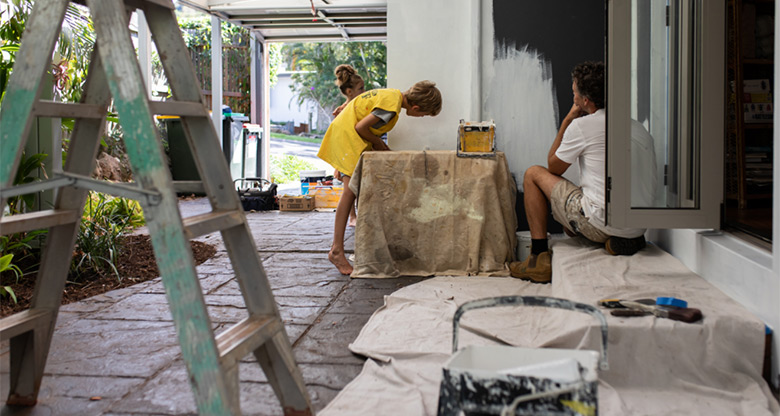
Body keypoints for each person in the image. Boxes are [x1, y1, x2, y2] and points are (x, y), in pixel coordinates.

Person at [509, 61, 649, 284]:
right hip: (637, 225)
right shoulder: (637, 127)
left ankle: (538, 259)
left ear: (585, 101)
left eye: (574, 91)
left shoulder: (583, 126)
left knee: (533, 174)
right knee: (579, 205)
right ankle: (620, 239)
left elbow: (553, 166)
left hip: (601, 220)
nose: (571, 93)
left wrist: (567, 120)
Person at [318, 81, 443, 275]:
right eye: (423, 115)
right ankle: (336, 250)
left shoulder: (391, 94)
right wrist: (378, 144)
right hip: (347, 137)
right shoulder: (391, 108)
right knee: (349, 193)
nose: (421, 117)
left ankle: (360, 247)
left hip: (345, 133)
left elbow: (358, 105)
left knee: (356, 190)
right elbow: (361, 127)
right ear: (416, 108)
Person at [331, 64, 366, 226]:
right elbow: (337, 137)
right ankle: (352, 216)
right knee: (349, 189)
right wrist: (337, 165)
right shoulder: (343, 110)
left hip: (358, 150)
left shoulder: (361, 106)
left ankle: (359, 215)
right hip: (347, 153)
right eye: (361, 89)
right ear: (350, 92)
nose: (364, 92)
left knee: (359, 186)